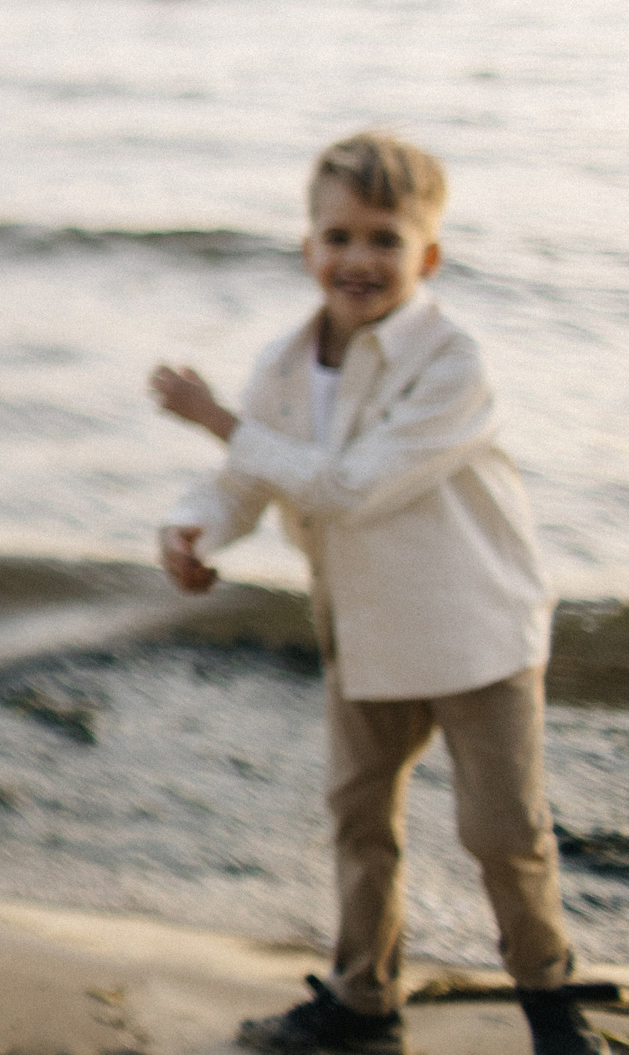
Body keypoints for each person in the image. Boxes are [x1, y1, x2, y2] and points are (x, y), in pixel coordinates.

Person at [151, 131, 595, 1055]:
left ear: (427, 255)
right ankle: (363, 1002)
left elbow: (349, 485)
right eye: (339, 235)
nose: (359, 258)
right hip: (367, 631)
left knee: (503, 832)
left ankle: (555, 1011)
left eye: (385, 239)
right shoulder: (285, 360)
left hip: (477, 630)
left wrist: (216, 419)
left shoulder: (452, 362)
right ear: (309, 246)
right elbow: (250, 482)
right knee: (360, 820)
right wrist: (193, 526)